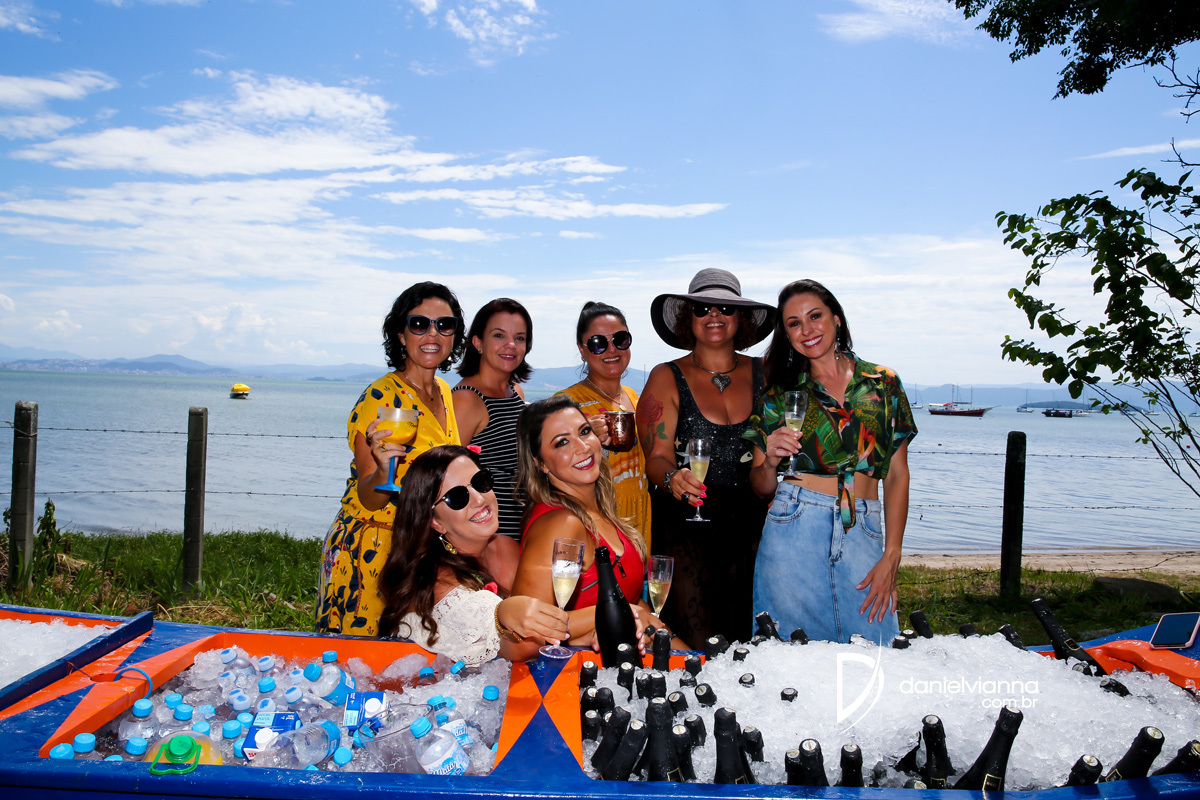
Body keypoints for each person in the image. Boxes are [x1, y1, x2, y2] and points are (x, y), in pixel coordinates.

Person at [744, 279, 916, 644]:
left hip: (863, 527)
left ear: (836, 318)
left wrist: (892, 555)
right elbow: (760, 487)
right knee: (790, 658)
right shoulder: (779, 394)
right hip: (793, 528)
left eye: (815, 316)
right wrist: (770, 461)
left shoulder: (883, 384)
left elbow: (897, 475)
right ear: (786, 335)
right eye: (794, 323)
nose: (806, 330)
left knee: (878, 651)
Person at [317, 282, 466, 636]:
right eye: (420, 324)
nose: (433, 334)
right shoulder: (380, 397)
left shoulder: (444, 393)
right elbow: (368, 497)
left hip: (417, 550)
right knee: (361, 659)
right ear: (401, 334)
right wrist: (384, 469)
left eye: (444, 325)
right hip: (373, 553)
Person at [637, 268, 775, 648]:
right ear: (688, 318)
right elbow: (656, 457)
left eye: (725, 308)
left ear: (741, 319)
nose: (714, 315)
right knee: (693, 645)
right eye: (702, 308)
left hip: (750, 530)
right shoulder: (665, 377)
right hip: (685, 529)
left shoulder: (766, 374)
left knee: (748, 643)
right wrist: (672, 478)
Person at [512, 396, 684, 650]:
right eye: (562, 442)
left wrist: (689, 656)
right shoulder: (561, 523)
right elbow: (526, 638)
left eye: (584, 431)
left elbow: (634, 602)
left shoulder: (598, 511)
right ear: (540, 464)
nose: (582, 447)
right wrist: (621, 611)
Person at [377, 446, 570, 664]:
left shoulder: (504, 547)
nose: (479, 499)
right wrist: (502, 614)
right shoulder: (439, 585)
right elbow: (526, 646)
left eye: (480, 482)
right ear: (435, 522)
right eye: (457, 497)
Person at [555, 301, 651, 549]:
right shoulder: (565, 404)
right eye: (598, 343)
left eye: (620, 339)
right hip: (596, 522)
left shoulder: (635, 397)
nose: (611, 349)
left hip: (640, 517)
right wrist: (585, 437)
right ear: (582, 349)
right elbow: (548, 473)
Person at [452, 298, 533, 541]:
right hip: (491, 538)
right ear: (478, 342)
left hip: (522, 531)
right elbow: (449, 478)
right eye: (499, 335)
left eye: (519, 338)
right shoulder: (466, 399)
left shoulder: (515, 392)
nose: (511, 345)